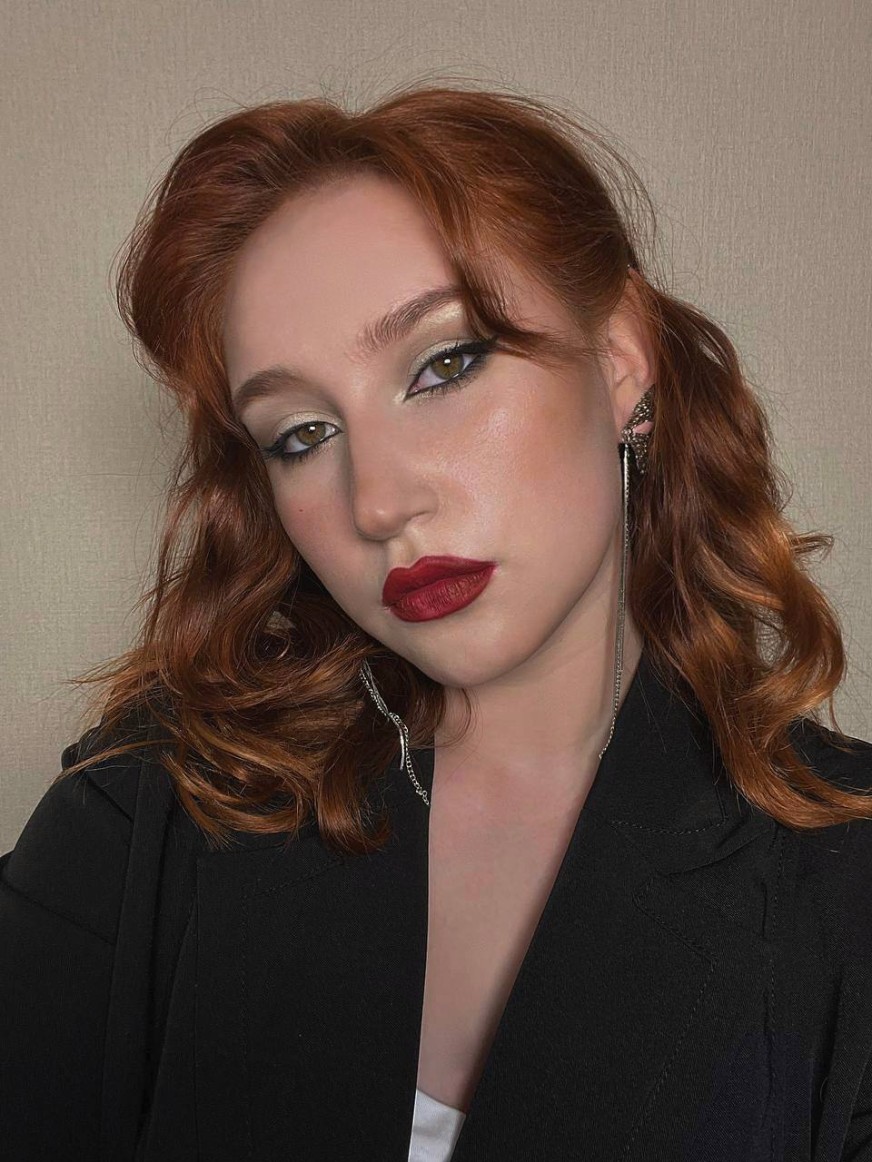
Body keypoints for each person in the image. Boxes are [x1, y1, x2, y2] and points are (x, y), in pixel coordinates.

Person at [2, 80, 871, 1162]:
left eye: (442, 366)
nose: (377, 503)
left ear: (617, 360)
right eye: (302, 434)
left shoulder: (841, 884)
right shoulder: (149, 810)